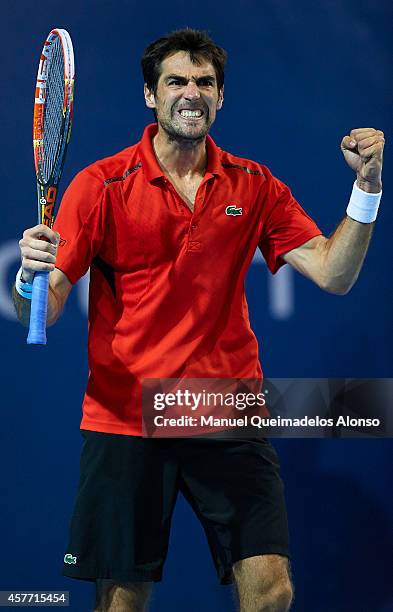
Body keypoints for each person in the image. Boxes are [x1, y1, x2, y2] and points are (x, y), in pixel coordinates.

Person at [13, 28, 384, 612]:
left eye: (205, 82)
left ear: (220, 97)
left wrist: (366, 188)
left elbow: (334, 274)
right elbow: (50, 301)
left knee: (271, 590)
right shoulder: (101, 184)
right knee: (121, 601)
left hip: (225, 410)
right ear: (150, 96)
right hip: (125, 418)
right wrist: (26, 279)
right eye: (177, 81)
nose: (192, 93)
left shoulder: (255, 186)